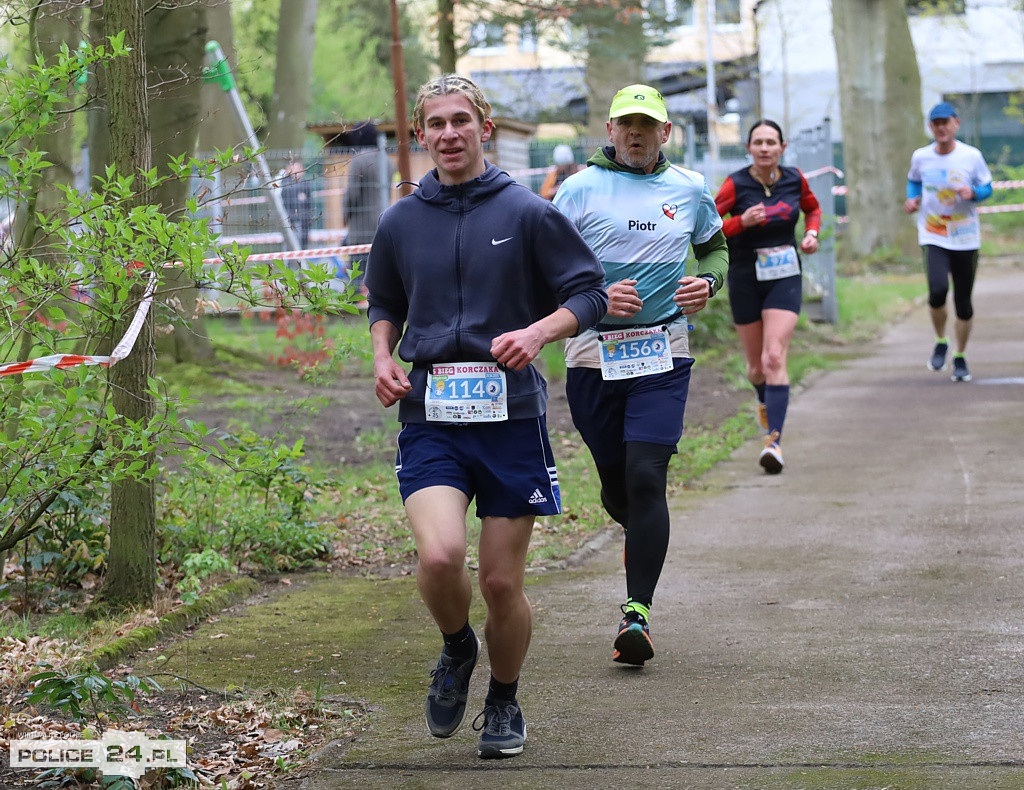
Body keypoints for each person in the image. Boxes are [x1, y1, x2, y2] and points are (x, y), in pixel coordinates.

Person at [364, 75, 607, 759]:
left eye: (460, 120)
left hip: (511, 418)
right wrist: (382, 354)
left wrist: (538, 333)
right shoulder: (401, 220)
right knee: (440, 556)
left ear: (485, 127)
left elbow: (588, 294)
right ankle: (455, 645)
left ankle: (503, 697)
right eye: (435, 123)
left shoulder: (528, 211)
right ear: (419, 136)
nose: (448, 133)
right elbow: (383, 300)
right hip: (431, 415)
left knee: (502, 581)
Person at [551, 84, 728, 667]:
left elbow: (714, 249)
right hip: (592, 354)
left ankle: (637, 614)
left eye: (646, 125)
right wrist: (595, 296)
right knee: (618, 485)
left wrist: (709, 283)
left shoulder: (691, 188)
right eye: (626, 124)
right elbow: (541, 270)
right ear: (609, 130)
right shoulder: (575, 191)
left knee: (647, 475)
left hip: (663, 350)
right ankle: (640, 525)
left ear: (666, 133)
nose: (635, 134)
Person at [713, 119, 821, 475]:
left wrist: (812, 234)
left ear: (782, 147)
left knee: (774, 356)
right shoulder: (736, 183)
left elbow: (812, 208)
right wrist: (740, 222)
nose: (764, 148)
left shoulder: (794, 178)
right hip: (745, 277)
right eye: (757, 142)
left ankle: (773, 443)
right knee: (757, 367)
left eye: (770, 142)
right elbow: (708, 225)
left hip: (785, 274)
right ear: (748, 148)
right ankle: (764, 401)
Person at [904, 101, 993, 383]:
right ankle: (941, 340)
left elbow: (987, 187)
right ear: (931, 128)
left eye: (946, 122)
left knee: (963, 301)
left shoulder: (971, 156)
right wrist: (912, 198)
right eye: (936, 124)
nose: (941, 128)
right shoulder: (921, 156)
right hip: (934, 234)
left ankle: (960, 355)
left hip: (965, 237)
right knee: (938, 291)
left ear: (956, 124)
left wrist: (974, 192)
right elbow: (914, 181)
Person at [343, 121, 395, 297]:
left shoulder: (359, 160)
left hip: (360, 227)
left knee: (356, 271)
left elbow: (352, 194)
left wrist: (346, 214)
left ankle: (352, 303)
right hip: (382, 223)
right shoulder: (387, 161)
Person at [280, 161, 313, 249]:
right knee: (293, 246)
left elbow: (309, 202)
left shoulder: (305, 184)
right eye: (295, 169)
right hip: (292, 220)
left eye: (299, 169)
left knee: (303, 246)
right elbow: (288, 202)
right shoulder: (286, 184)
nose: (297, 172)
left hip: (305, 221)